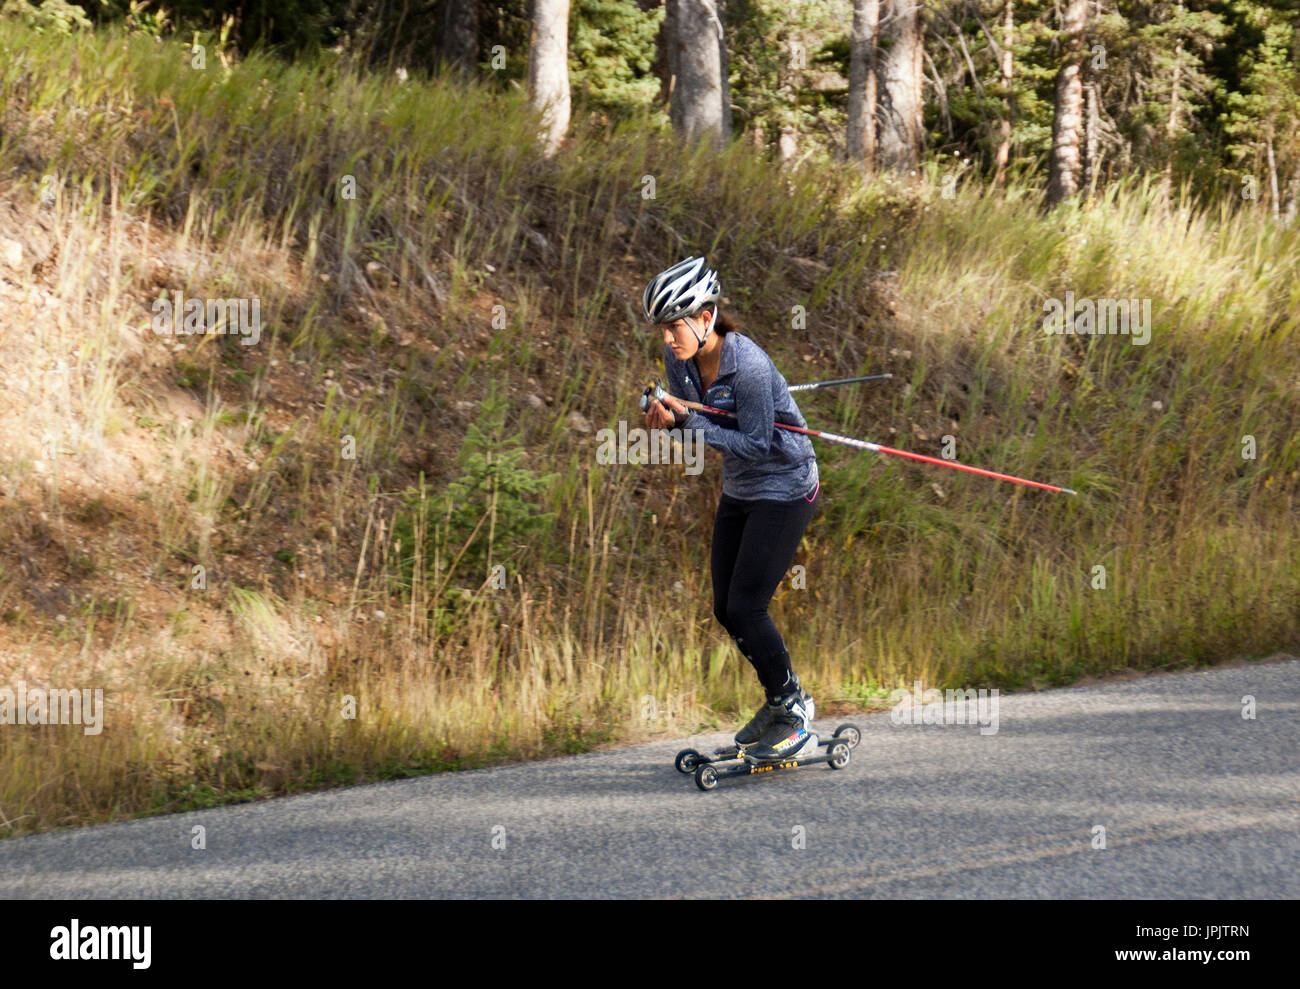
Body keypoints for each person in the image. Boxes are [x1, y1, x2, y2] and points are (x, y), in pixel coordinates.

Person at [641, 256, 821, 762]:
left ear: (706, 318)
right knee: (725, 607)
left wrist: (682, 426)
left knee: (747, 606)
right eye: (662, 329)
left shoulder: (751, 367)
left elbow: (757, 444)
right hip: (742, 489)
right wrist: (670, 414)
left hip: (785, 486)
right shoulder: (680, 362)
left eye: (674, 326)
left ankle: (794, 709)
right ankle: (780, 698)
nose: (667, 339)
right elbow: (703, 423)